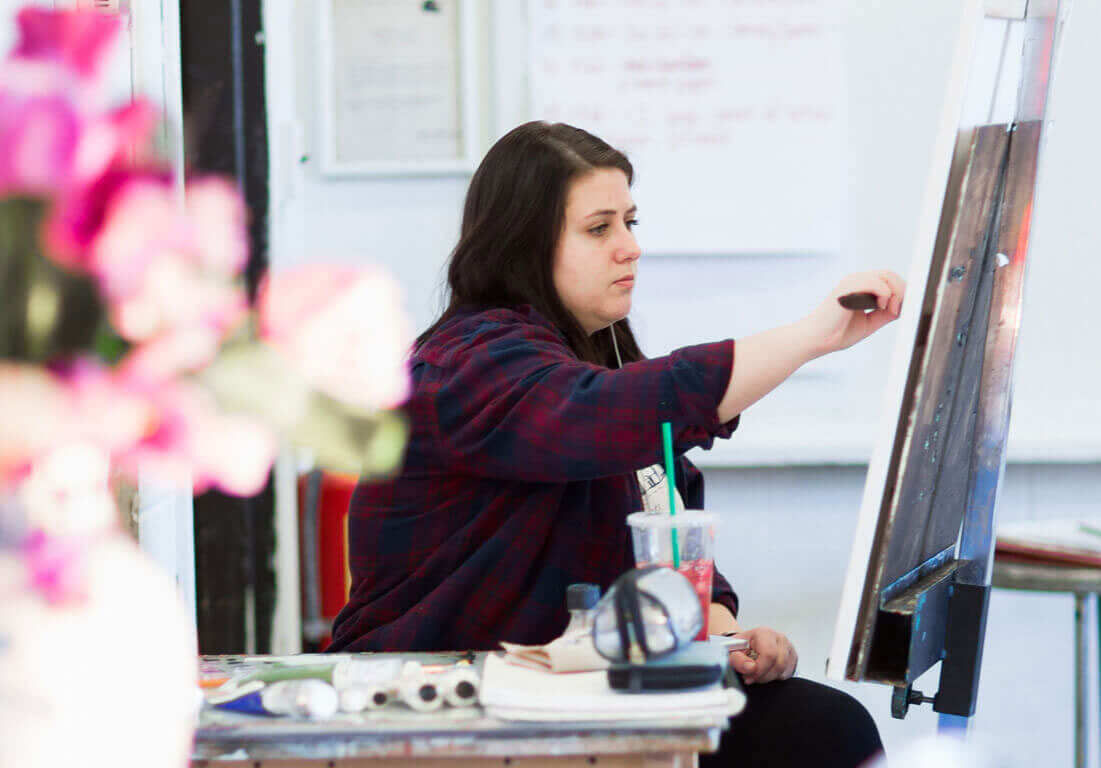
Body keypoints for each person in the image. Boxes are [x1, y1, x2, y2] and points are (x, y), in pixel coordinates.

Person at [329, 121, 904, 767]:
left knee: (821, 727)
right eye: (599, 228)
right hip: (443, 702)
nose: (629, 247)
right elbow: (611, 415)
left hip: (576, 694)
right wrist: (812, 337)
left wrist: (725, 636)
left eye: (631, 221)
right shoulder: (470, 363)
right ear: (523, 244)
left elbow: (662, 531)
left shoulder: (597, 358)